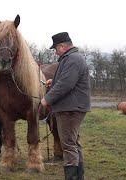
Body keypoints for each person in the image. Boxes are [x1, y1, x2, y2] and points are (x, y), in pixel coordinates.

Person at [41, 32, 90, 180]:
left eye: (55, 48)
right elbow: (66, 81)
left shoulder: (73, 59)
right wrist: (52, 83)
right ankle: (79, 176)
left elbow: (66, 84)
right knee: (74, 142)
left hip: (70, 109)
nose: (55, 52)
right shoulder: (72, 58)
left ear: (62, 46)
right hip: (72, 107)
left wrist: (46, 99)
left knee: (68, 146)